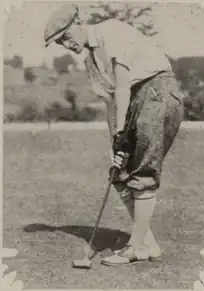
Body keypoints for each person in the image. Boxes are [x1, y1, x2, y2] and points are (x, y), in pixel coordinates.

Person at [44, 4, 184, 266]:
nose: (66, 44)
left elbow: (122, 86)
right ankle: (147, 243)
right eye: (59, 42)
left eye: (65, 36)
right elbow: (109, 103)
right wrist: (114, 144)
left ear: (78, 22)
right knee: (118, 173)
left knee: (142, 172)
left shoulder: (111, 30)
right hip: (132, 103)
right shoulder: (91, 62)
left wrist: (121, 133)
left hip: (156, 92)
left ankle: (136, 247)